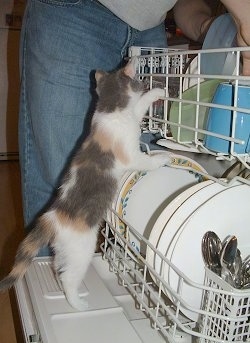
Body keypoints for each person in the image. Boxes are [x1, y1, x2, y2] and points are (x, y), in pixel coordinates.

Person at [18, 0, 250, 256]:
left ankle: (118, 278)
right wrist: (245, 17)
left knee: (139, 187)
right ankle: (49, 290)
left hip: (150, 26)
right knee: (60, 184)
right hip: (75, 13)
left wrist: (210, 27)